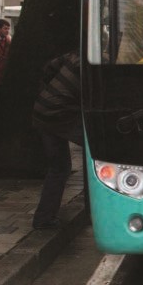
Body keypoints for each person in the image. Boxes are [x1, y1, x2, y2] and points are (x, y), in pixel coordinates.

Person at [31, 51, 82, 229]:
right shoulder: (96, 64)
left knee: (59, 167)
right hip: (58, 115)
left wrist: (49, 90)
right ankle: (44, 218)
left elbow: (49, 67)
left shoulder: (74, 55)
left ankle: (44, 216)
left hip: (45, 109)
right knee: (61, 167)